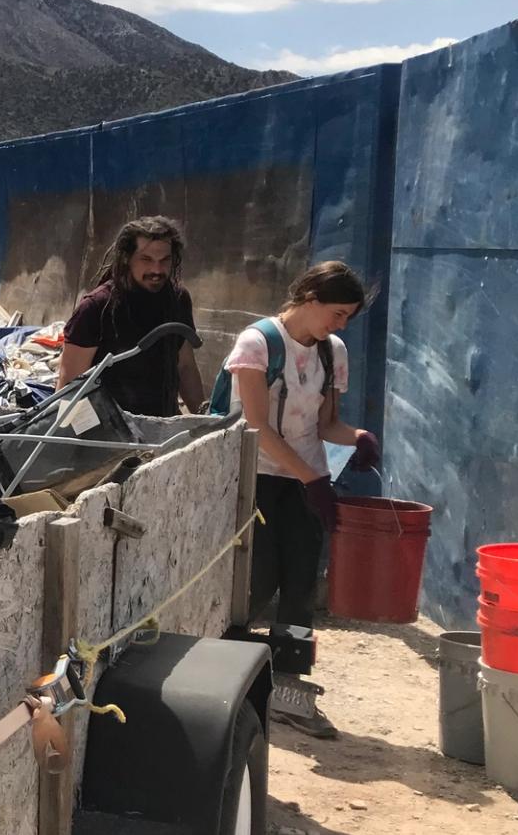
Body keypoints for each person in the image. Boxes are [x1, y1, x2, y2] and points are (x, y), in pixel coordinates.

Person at [223, 261, 381, 738]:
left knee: (300, 584)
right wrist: (310, 478)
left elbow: (325, 425)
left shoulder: (333, 351)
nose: (341, 324)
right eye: (337, 313)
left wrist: (357, 437)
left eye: (348, 316)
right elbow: (255, 427)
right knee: (254, 582)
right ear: (309, 297)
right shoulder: (257, 344)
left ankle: (289, 693)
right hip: (258, 476)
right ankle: (229, 681)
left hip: (306, 477)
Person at [58, 216, 206, 416]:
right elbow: (70, 387)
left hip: (162, 430)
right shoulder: (96, 308)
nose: (157, 270)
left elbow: (185, 366)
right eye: (146, 260)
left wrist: (203, 419)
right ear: (127, 258)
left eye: (164, 260)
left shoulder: (177, 300)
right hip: (110, 433)